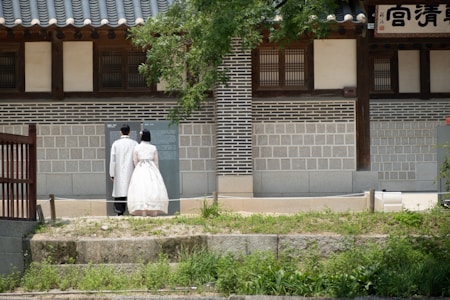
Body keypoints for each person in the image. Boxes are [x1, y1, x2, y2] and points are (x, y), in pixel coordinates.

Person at [127, 129, 169, 216]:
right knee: (153, 189)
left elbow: (135, 160)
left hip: (140, 168)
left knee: (141, 188)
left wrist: (138, 167)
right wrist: (156, 171)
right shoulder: (153, 147)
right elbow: (156, 161)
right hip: (151, 168)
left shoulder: (137, 147)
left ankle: (143, 212)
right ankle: (154, 211)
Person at [109, 124, 138, 216]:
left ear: (120, 132)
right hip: (131, 170)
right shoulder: (134, 143)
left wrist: (112, 173)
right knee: (131, 191)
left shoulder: (116, 144)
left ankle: (119, 212)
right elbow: (136, 159)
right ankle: (132, 211)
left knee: (119, 191)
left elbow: (112, 160)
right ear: (129, 132)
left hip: (119, 171)